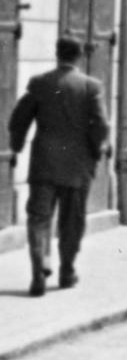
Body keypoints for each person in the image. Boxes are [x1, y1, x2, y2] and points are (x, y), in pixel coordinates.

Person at [7, 37, 110, 297]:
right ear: (79, 57)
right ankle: (66, 271)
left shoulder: (41, 84)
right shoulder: (90, 87)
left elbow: (19, 118)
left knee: (39, 218)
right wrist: (96, 153)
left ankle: (40, 267)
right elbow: (101, 126)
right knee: (71, 222)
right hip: (77, 167)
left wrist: (17, 146)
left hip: (44, 164)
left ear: (57, 54)